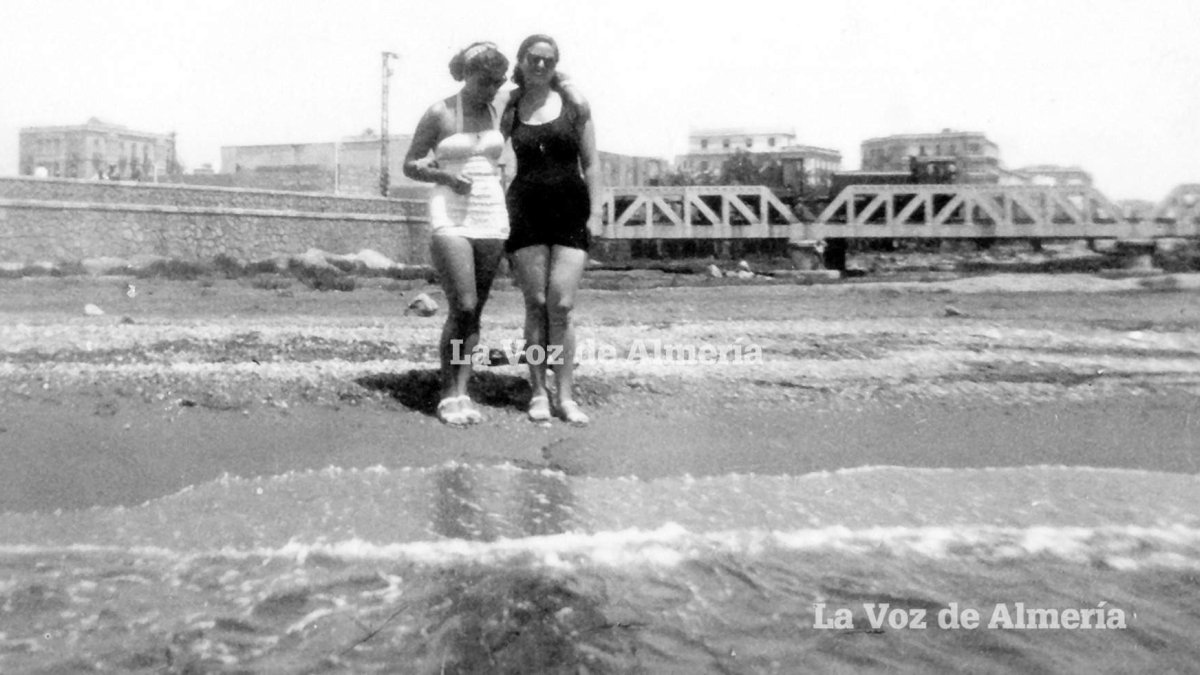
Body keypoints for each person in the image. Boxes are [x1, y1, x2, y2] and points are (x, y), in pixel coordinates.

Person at [403, 42, 510, 426]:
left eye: (498, 82)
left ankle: (464, 388)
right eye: (485, 81)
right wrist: (445, 175)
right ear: (466, 75)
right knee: (462, 305)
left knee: (476, 311)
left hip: (491, 210)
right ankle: (448, 392)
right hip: (450, 209)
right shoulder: (440, 111)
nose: (491, 89)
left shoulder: (500, 110)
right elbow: (410, 164)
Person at [500, 34, 603, 426]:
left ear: (555, 64)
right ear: (521, 61)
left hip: (570, 210)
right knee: (536, 305)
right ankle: (538, 393)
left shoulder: (576, 106)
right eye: (533, 58)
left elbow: (592, 163)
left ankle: (566, 396)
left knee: (561, 305)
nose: (540, 65)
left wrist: (595, 215)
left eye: (547, 59)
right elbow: (490, 150)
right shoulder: (510, 106)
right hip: (525, 210)